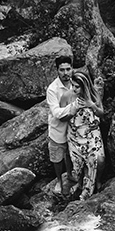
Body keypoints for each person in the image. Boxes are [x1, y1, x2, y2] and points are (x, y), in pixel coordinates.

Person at [67, 71, 105, 201]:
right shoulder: (70, 96)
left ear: (84, 86)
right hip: (76, 134)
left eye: (77, 86)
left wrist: (92, 105)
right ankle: (79, 183)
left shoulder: (93, 94)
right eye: (73, 85)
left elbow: (101, 113)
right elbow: (63, 116)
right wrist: (72, 110)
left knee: (97, 159)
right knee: (77, 163)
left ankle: (89, 189)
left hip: (92, 132)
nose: (74, 89)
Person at [45, 55, 78, 197]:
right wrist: (74, 107)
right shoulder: (52, 89)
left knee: (70, 155)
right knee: (57, 158)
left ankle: (70, 175)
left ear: (72, 69)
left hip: (74, 128)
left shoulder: (76, 83)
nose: (65, 73)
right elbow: (57, 113)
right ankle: (59, 180)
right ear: (57, 71)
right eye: (62, 70)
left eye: (68, 69)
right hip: (58, 129)